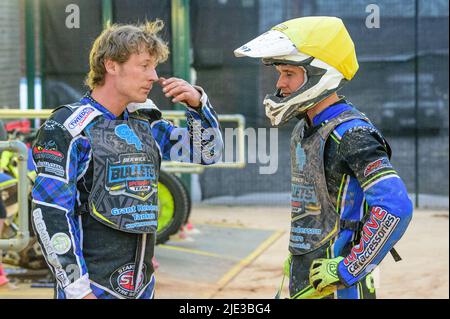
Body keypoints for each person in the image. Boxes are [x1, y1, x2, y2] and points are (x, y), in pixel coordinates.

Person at [31, 20, 222, 299]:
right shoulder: (68, 126)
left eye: (154, 67)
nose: (154, 76)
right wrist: (77, 290)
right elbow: (49, 212)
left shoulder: (144, 121)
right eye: (144, 65)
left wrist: (198, 105)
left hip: (142, 286)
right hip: (92, 289)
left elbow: (207, 152)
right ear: (111, 65)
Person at [234, 16, 413, 299]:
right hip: (308, 279)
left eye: (289, 73)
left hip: (339, 288)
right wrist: (299, 259)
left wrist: (349, 269)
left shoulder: (352, 133)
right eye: (280, 72)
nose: (280, 83)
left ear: (319, 74)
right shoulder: (305, 127)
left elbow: (395, 206)